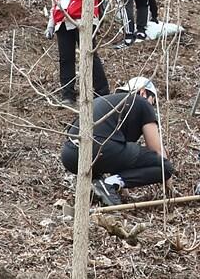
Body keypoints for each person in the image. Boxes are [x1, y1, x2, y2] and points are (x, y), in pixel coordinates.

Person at [60, 77, 173, 207]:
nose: (151, 105)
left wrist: (124, 190)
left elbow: (120, 156)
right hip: (98, 149)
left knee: (119, 150)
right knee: (164, 167)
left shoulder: (107, 102)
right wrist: (168, 182)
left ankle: (101, 184)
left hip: (70, 155)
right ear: (143, 92)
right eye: (153, 101)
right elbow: (156, 151)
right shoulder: (142, 102)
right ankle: (108, 184)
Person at [48, 0, 111, 108]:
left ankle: (102, 93)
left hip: (84, 19)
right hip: (63, 19)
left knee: (89, 56)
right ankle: (67, 95)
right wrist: (51, 23)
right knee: (65, 59)